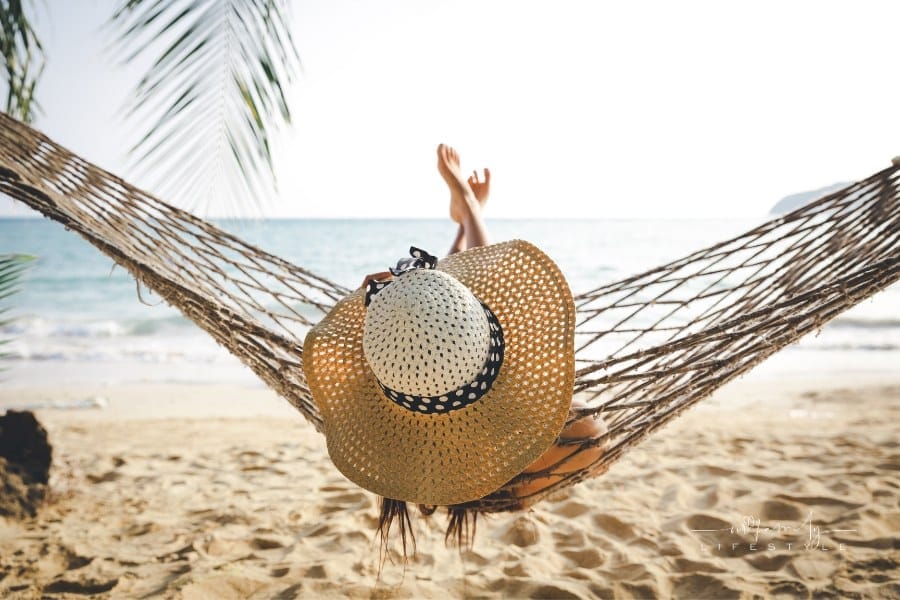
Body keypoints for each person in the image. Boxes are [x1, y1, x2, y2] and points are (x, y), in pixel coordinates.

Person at [305, 144, 608, 562]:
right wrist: (467, 209)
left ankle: (466, 218)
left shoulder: (401, 445)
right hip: (518, 469)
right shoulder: (564, 429)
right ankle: (467, 212)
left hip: (442, 456)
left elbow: (437, 322)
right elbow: (463, 303)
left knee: (434, 313)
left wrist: (462, 227)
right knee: (451, 317)